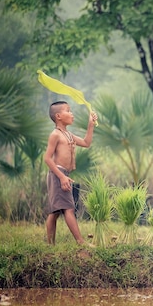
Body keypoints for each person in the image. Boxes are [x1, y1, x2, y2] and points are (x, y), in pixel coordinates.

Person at [43, 101, 98, 246]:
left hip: (63, 173)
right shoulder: (55, 135)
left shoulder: (68, 135)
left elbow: (86, 143)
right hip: (58, 174)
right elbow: (47, 158)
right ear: (59, 116)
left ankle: (50, 245)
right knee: (68, 208)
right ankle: (80, 241)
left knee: (54, 212)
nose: (72, 113)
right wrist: (61, 177)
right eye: (68, 111)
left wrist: (91, 124)